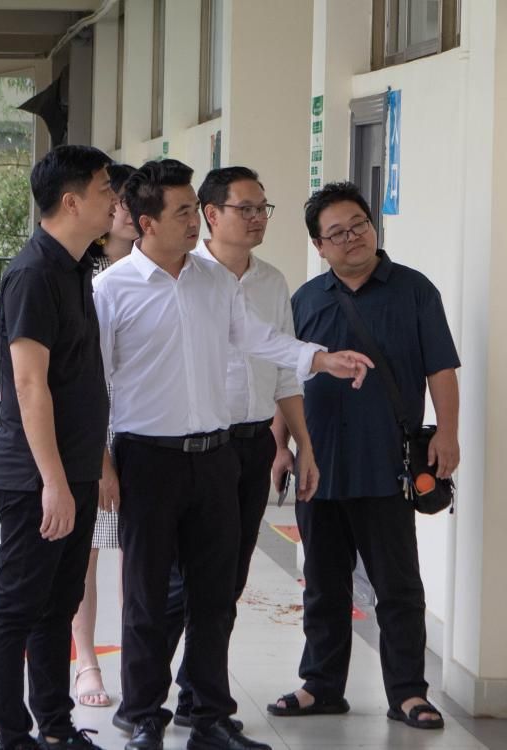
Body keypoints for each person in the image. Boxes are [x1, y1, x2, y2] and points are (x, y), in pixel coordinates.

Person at [94, 159, 372, 750]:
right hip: (147, 460)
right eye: (183, 212)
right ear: (147, 222)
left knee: (216, 593)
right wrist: (102, 463)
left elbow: (259, 340)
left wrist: (320, 358)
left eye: (195, 210)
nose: (194, 221)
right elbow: (92, 385)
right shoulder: (111, 289)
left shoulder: (213, 281)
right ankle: (143, 714)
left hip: (216, 457)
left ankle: (210, 716)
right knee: (147, 596)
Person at [268, 182, 460, 732]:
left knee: (398, 587)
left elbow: (441, 368)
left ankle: (408, 692)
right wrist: (279, 445)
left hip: (387, 465)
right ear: (319, 245)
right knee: (323, 584)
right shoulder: (305, 300)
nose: (352, 238)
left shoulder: (414, 291)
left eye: (359, 225)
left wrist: (448, 434)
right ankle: (321, 685)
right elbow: (286, 376)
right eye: (337, 233)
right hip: (319, 466)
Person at [156, 166, 322, 729]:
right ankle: (147, 701)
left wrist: (299, 444)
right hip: (196, 449)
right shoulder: (186, 276)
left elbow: (284, 371)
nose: (257, 219)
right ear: (212, 214)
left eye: (262, 209)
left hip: (251, 446)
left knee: (227, 583)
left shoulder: (272, 281)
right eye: (245, 208)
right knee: (179, 583)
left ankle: (198, 698)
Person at [0, 144, 116, 750]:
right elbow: (29, 385)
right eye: (105, 190)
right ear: (71, 201)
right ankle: (13, 735)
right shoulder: (34, 274)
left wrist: (92, 466)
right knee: (18, 606)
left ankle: (56, 728)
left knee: (58, 605)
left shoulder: (74, 268)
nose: (114, 200)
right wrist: (54, 483)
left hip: (75, 469)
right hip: (36, 476)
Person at [72, 162, 137, 710]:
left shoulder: (160, 271)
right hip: (95, 422)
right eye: (120, 201)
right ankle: (87, 662)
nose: (130, 211)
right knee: (87, 551)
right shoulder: (82, 278)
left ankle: (139, 661)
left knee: (139, 554)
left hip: (144, 423)